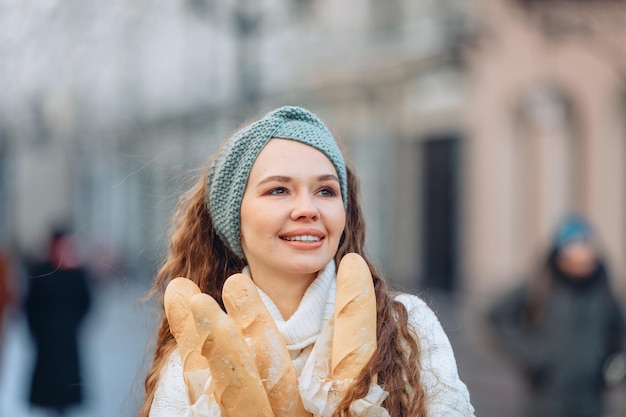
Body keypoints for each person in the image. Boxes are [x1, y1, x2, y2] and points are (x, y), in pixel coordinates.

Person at [139, 106, 475, 417]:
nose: (308, 209)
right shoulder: (198, 354)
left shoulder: (406, 328)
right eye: (279, 191)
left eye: (326, 191)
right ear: (233, 217)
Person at [488, 215, 626, 417]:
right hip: (547, 401)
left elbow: (620, 333)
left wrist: (615, 367)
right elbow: (495, 319)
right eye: (573, 258)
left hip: (592, 401)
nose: (581, 266)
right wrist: (531, 355)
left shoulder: (603, 292)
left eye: (586, 258)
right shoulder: (540, 288)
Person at [24, 229, 93, 417]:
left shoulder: (76, 273)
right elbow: (30, 305)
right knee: (48, 389)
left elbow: (86, 302)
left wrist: (74, 324)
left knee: (66, 388)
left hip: (67, 339)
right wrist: (37, 330)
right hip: (46, 340)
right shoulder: (41, 272)